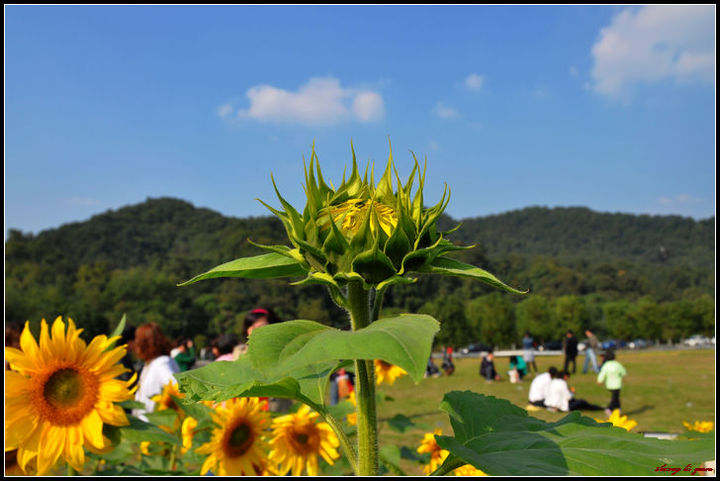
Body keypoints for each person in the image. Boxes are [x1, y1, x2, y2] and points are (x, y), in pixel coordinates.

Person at [132, 322, 180, 421]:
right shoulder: (151, 363)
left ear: (143, 343)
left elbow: (176, 387)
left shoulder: (160, 363)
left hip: (153, 425)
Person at [597, 350, 627, 416]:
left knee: (616, 397)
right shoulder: (617, 364)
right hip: (617, 384)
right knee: (615, 398)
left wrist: (599, 380)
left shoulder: (606, 365)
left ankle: (618, 410)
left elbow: (602, 373)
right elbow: (624, 372)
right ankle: (609, 408)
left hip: (609, 385)